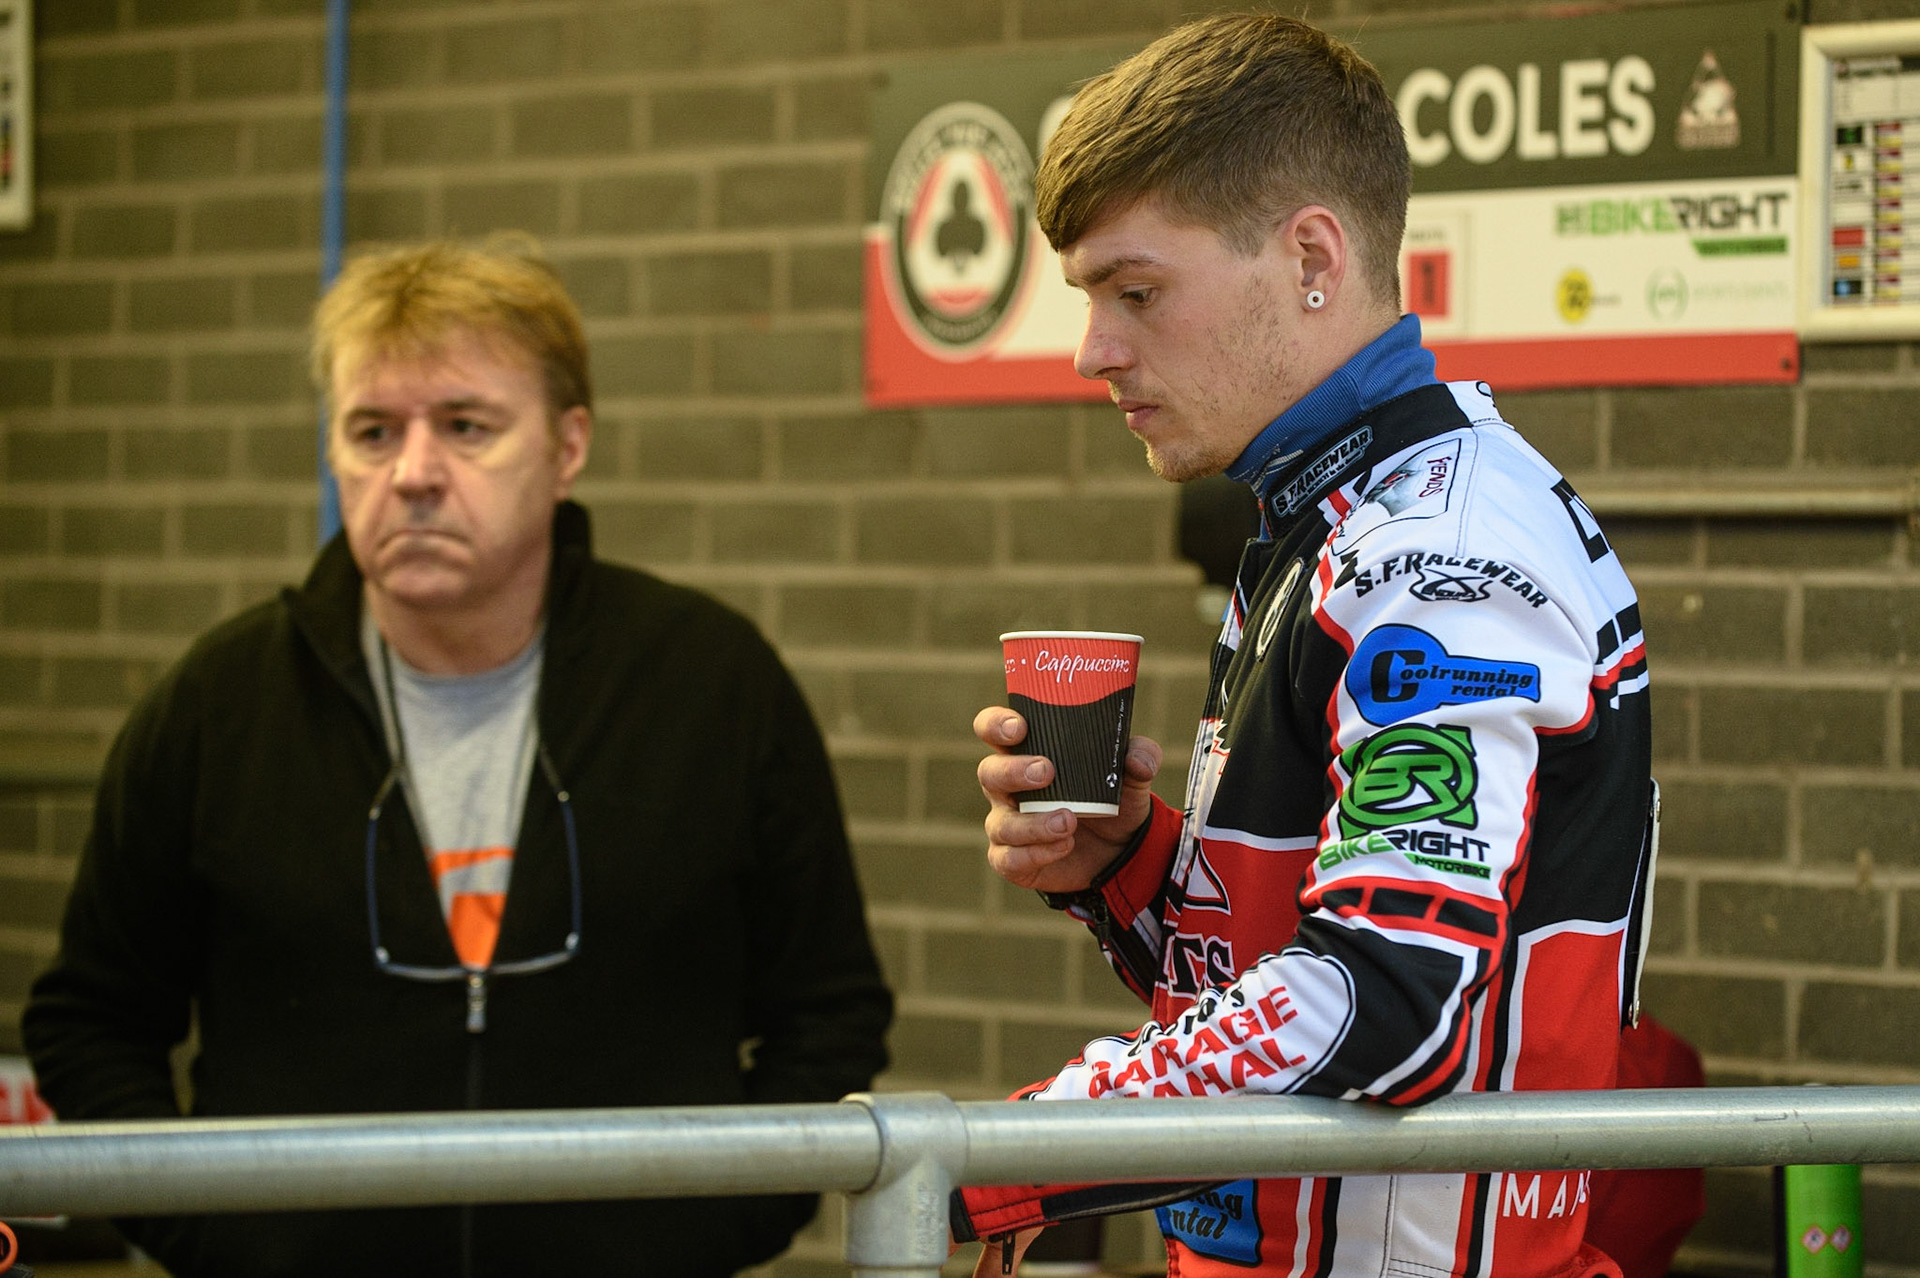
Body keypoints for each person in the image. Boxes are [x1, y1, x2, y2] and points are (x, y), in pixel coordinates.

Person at [22, 239, 893, 1278]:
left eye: (467, 427)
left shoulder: (711, 686)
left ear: (568, 448)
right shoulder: (219, 705)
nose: (415, 473)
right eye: (373, 431)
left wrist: (704, 1229)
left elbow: (829, 1014)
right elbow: (90, 1023)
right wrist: (222, 1237)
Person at [957, 15, 1657, 1278]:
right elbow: (1290, 964)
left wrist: (1004, 1154)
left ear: (1313, 257)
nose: (1093, 350)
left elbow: (1382, 1001)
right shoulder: (1331, 511)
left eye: (1137, 291)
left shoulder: (1435, 560)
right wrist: (1127, 863)